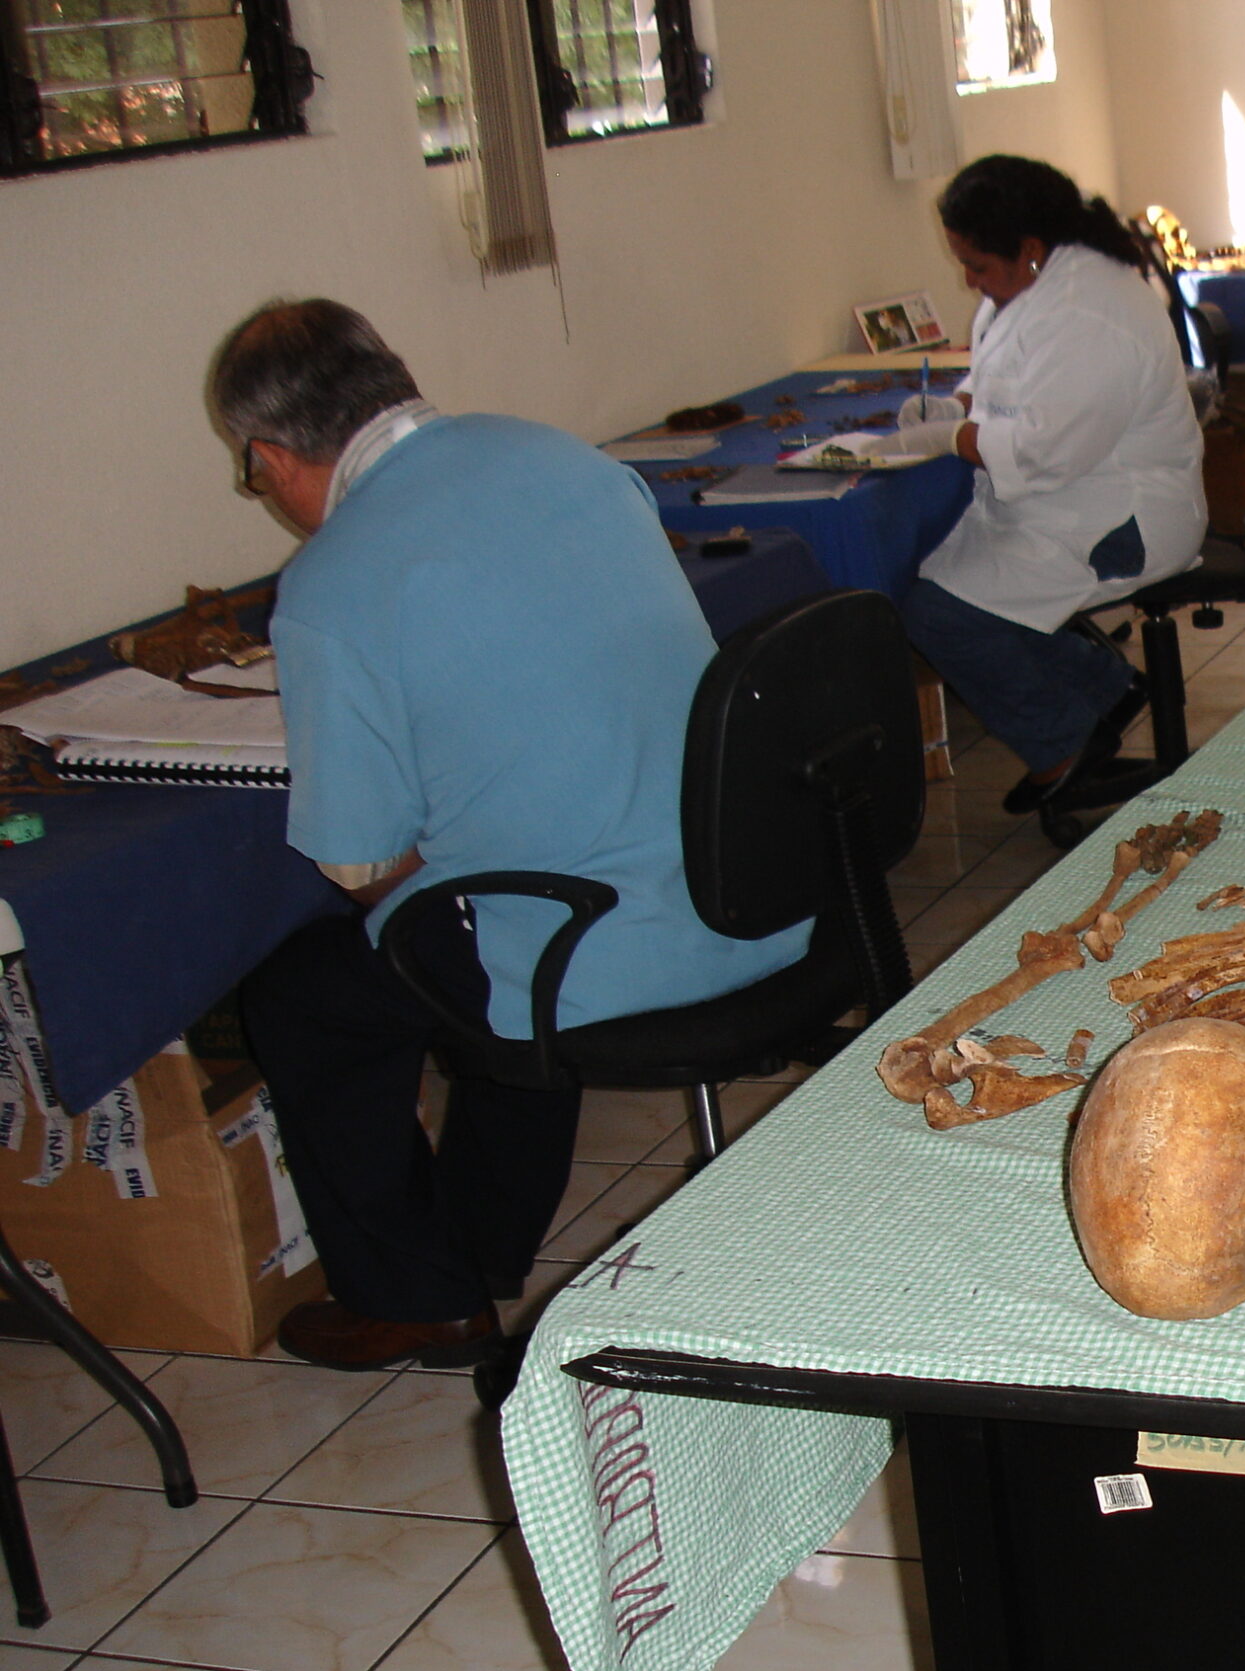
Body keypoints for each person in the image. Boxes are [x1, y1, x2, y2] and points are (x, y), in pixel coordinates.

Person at [212, 298, 810, 1370]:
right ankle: (480, 1246)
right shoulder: (564, 460)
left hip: (598, 953)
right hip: (762, 885)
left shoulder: (331, 582)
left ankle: (415, 1294)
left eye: (252, 477)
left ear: (271, 456)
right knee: (485, 906)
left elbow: (358, 861)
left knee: (309, 995)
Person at [890, 154, 1207, 815]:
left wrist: (946, 440)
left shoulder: (1089, 310)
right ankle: (1105, 688)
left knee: (935, 612)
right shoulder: (1038, 283)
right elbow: (1002, 372)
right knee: (955, 574)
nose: (970, 281)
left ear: (1029, 249)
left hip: (1122, 520)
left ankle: (1065, 745)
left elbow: (1041, 449)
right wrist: (955, 408)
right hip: (1068, 503)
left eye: (976, 265)